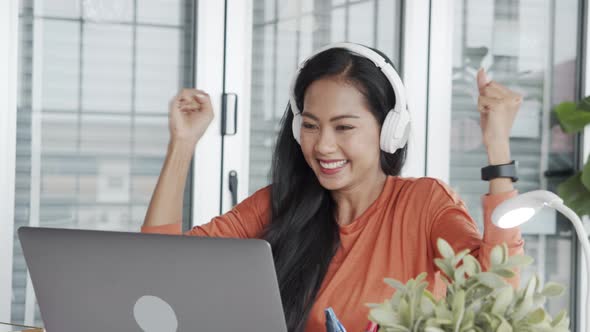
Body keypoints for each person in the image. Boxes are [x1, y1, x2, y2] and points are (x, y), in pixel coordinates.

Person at [141, 42, 524, 332]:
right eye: (310, 125)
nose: (323, 145)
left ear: (389, 131)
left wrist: (498, 148)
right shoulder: (279, 205)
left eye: (344, 127)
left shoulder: (424, 204)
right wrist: (183, 143)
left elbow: (496, 290)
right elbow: (162, 267)